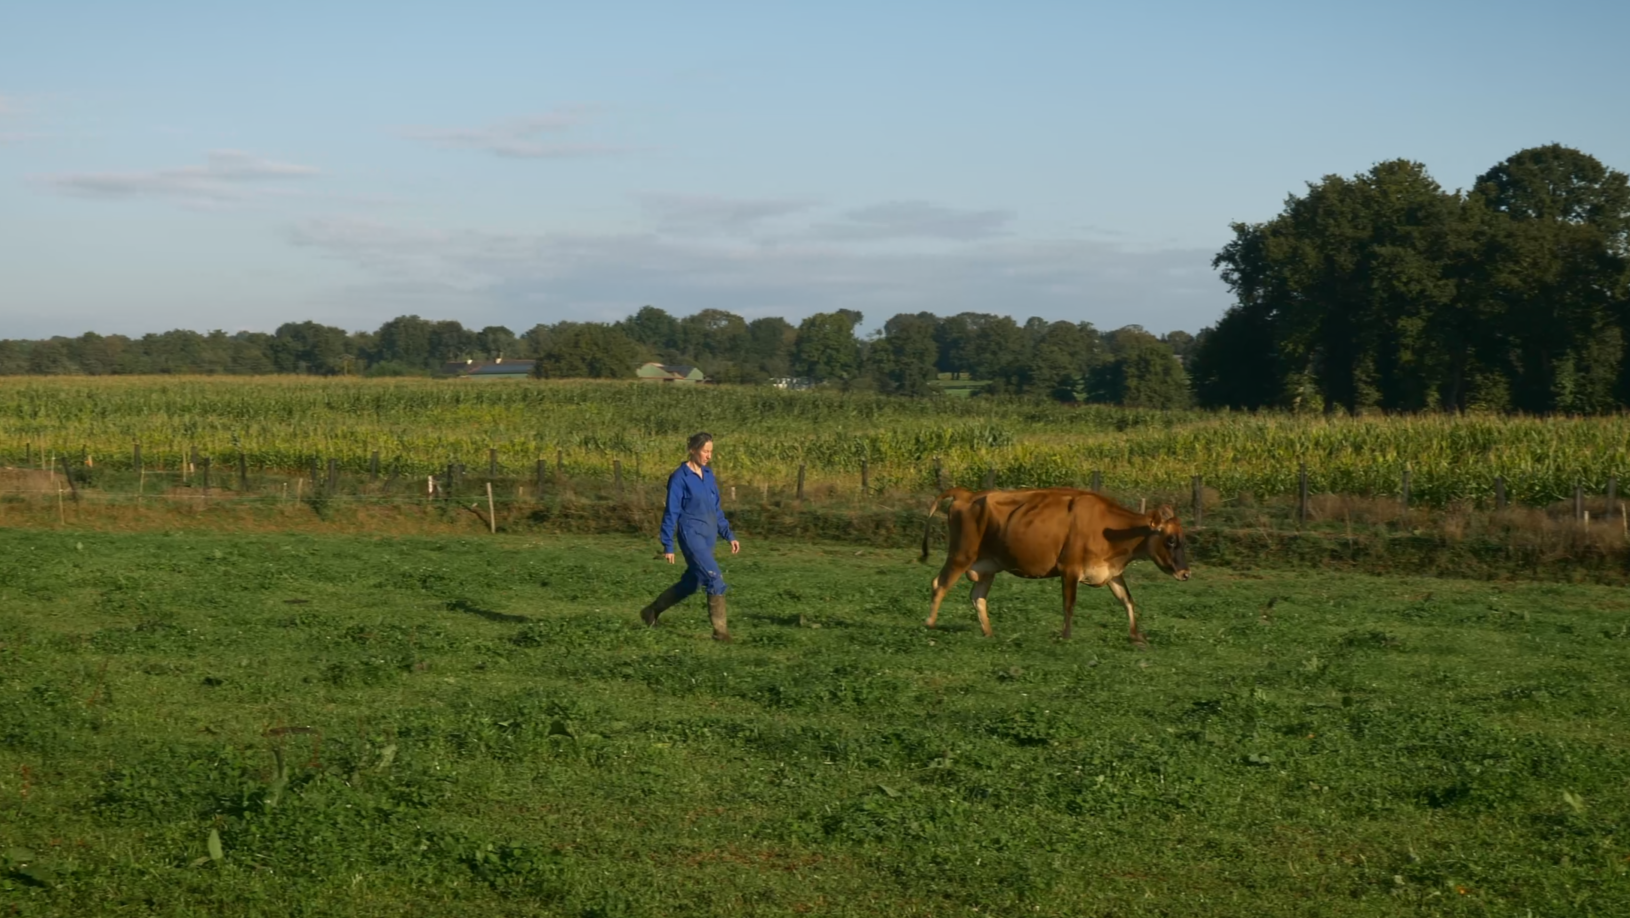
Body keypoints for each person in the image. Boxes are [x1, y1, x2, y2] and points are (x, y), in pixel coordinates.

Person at [639, 432, 741, 641]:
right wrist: (668, 545)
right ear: (693, 450)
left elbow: (716, 509)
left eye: (711, 451)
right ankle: (721, 633)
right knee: (714, 577)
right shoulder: (679, 478)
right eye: (705, 451)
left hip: (709, 535)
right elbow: (671, 512)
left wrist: (728, 535)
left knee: (693, 581)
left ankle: (651, 611)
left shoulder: (709, 475)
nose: (709, 456)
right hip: (691, 535)